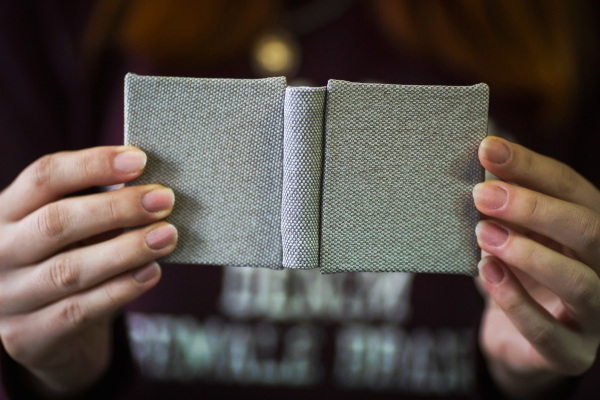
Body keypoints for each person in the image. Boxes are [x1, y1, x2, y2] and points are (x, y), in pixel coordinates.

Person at [1, 1, 599, 399]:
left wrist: (536, 373)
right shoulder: (57, 17)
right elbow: (22, 289)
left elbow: (575, 319)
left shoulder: (561, 20)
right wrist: (49, 369)